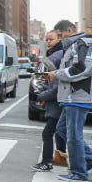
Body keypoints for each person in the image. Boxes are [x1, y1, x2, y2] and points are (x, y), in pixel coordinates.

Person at [44, 19, 92, 182]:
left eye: (61, 35)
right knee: (62, 130)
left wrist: (57, 74)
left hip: (79, 96)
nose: (60, 39)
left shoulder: (83, 43)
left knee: (73, 136)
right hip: (72, 97)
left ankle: (79, 172)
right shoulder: (74, 45)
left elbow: (81, 68)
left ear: (70, 31)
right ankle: (91, 159)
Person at [30, 30, 66, 171]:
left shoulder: (58, 57)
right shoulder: (54, 56)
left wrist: (40, 96)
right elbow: (51, 83)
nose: (48, 42)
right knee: (61, 133)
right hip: (55, 103)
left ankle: (47, 162)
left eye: (51, 39)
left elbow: (57, 87)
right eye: (47, 39)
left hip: (57, 103)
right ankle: (61, 159)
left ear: (59, 39)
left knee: (49, 133)